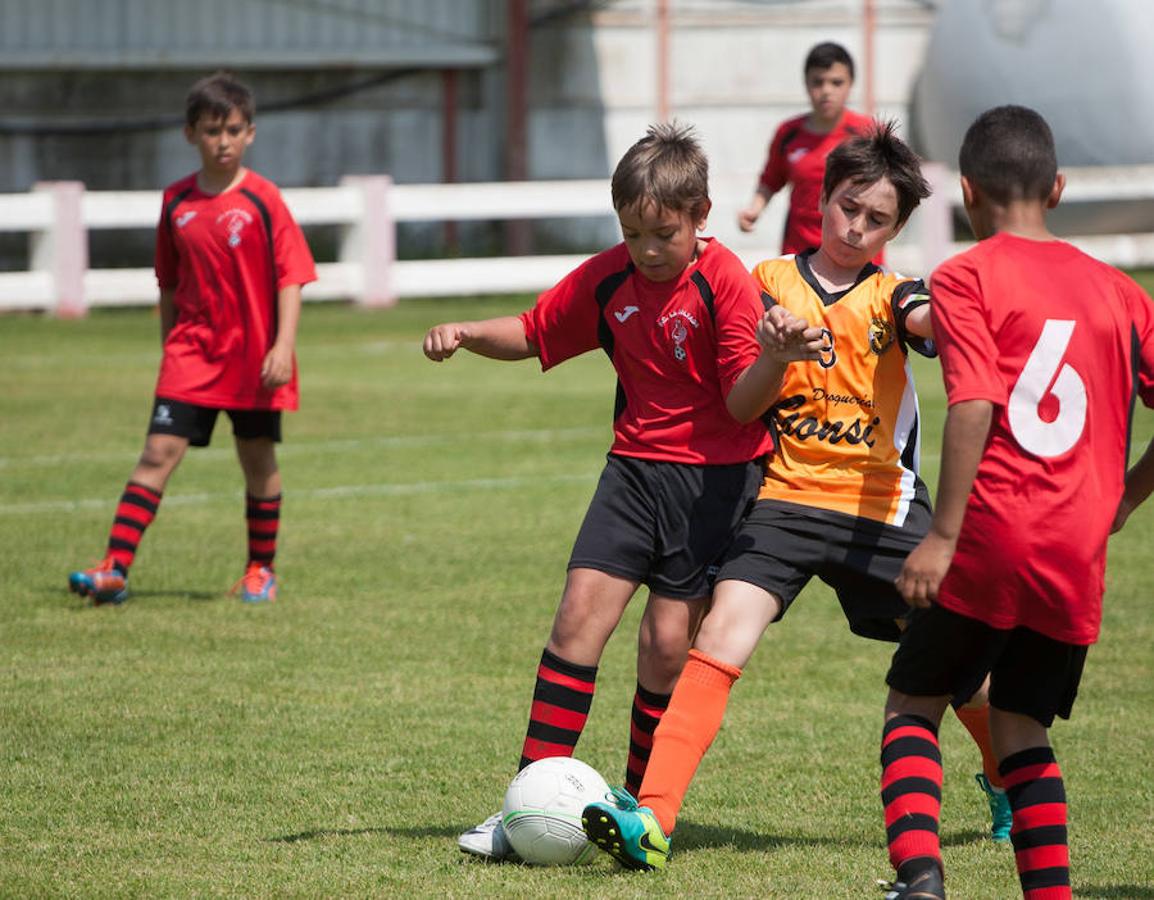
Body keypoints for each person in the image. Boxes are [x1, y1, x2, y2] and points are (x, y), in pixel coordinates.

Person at [583, 122, 1007, 871]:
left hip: (881, 508)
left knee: (960, 664)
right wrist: (776, 342)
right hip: (782, 501)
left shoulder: (890, 293)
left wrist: (955, 317)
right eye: (848, 206)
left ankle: (1006, 781)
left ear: (896, 229)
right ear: (823, 198)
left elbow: (928, 323)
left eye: (877, 219)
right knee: (720, 637)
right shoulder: (766, 282)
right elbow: (744, 377)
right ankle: (652, 820)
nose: (856, 226)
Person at [424, 122, 774, 861]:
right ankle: (524, 803)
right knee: (578, 618)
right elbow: (531, 331)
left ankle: (640, 809)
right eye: (633, 232)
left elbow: (746, 402)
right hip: (634, 471)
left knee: (664, 645)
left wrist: (776, 360)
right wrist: (464, 330)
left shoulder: (726, 284)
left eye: (663, 233)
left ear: (700, 216)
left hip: (716, 483)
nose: (647, 249)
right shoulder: (609, 277)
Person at [874, 106, 1154, 900]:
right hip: (1076, 551)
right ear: (1058, 188)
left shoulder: (965, 277)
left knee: (913, 702)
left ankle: (921, 880)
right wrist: (1126, 500)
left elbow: (974, 405)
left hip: (992, 536)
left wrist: (943, 537)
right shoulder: (1121, 292)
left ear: (965, 193)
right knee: (1021, 724)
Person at [68, 71, 316, 606]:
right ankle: (114, 568)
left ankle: (260, 570)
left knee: (257, 458)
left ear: (250, 133)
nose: (222, 141)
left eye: (232, 129)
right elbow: (169, 282)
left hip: (253, 358)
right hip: (190, 355)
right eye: (211, 130)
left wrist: (283, 346)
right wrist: (168, 348)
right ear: (190, 134)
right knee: (158, 451)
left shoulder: (263, 199)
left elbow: (292, 275)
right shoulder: (176, 202)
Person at [738, 41, 877, 260]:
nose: (826, 91)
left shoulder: (869, 134)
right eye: (818, 82)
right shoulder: (788, 133)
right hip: (800, 251)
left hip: (856, 251)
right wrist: (754, 209)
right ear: (806, 83)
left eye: (836, 82)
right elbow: (771, 180)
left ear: (851, 84)